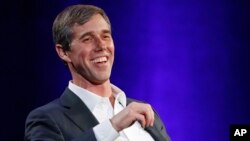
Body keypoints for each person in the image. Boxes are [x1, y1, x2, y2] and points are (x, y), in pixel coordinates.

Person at [25, 4, 171, 141]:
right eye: (87, 39)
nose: (101, 45)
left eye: (105, 36)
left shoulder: (144, 111)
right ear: (63, 52)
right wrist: (113, 126)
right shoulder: (47, 119)